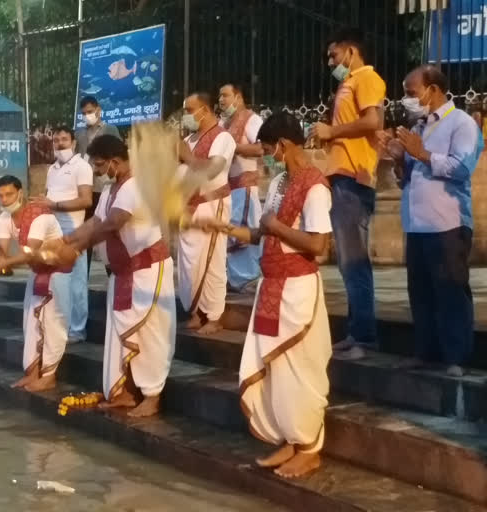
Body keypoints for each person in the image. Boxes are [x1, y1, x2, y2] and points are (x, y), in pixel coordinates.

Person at [200, 112, 332, 478]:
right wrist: (224, 227)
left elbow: (319, 245)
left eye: (270, 148)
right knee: (276, 371)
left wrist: (275, 227)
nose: (267, 155)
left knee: (299, 368)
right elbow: (261, 234)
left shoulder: (316, 187)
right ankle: (290, 440)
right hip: (271, 286)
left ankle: (309, 447)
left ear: (285, 145)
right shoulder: (278, 183)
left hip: (299, 289)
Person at [59, 134, 176, 417]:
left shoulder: (136, 185)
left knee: (150, 334)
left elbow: (114, 223)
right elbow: (96, 221)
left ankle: (152, 396)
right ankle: (123, 391)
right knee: (119, 334)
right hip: (123, 273)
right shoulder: (113, 189)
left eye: (100, 166)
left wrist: (75, 250)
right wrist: (66, 242)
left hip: (149, 270)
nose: (98, 172)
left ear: (114, 161)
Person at [377, 66, 483, 377]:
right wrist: (399, 160)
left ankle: (456, 357)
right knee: (420, 292)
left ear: (433, 89)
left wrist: (421, 154)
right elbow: (408, 179)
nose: (407, 100)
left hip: (447, 223)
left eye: (411, 93)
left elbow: (462, 168)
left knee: (450, 290)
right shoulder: (420, 127)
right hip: (417, 223)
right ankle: (425, 352)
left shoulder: (461, 123)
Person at [312, 28, 386, 361]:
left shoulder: (367, 78)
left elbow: (373, 121)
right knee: (346, 261)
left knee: (355, 262)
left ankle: (365, 337)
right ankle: (357, 331)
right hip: (341, 176)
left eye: (334, 55)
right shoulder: (347, 83)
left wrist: (333, 131)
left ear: (352, 51)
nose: (330, 62)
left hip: (354, 178)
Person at [0, 175, 71, 392]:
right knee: (31, 325)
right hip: (37, 272)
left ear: (20, 193)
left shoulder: (39, 216)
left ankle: (49, 375)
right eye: (1, 195)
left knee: (52, 326)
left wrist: (4, 262)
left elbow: (30, 252)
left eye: (9, 194)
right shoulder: (4, 219)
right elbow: (2, 250)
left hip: (56, 273)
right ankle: (32, 373)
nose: (4, 199)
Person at [177, 92, 236, 334]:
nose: (186, 116)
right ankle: (196, 312)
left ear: (205, 110)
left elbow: (212, 170)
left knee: (212, 260)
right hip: (187, 206)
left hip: (213, 204)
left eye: (190, 110)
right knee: (188, 263)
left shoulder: (223, 138)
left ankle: (214, 316)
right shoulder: (189, 139)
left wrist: (185, 155)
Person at [34, 126, 93, 343]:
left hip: (74, 231)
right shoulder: (52, 169)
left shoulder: (82, 166)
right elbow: (49, 199)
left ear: (74, 143)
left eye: (64, 140)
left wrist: (55, 204)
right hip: (53, 233)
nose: (60, 144)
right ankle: (61, 326)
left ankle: (78, 329)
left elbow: (86, 200)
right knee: (58, 283)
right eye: (56, 140)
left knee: (76, 283)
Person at [219, 83, 264, 292]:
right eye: (219, 96)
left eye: (225, 96)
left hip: (245, 186)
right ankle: (235, 280)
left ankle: (248, 280)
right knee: (231, 232)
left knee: (243, 231)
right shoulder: (222, 123)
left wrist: (235, 147)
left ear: (238, 97)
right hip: (228, 188)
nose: (221, 100)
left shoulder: (251, 119)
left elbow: (263, 147)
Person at [75, 96, 122, 275]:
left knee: (107, 232)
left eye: (90, 111)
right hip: (87, 190)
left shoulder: (110, 129)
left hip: (106, 187)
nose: (87, 115)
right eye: (84, 113)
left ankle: (113, 273)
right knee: (87, 233)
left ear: (98, 110)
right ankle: (82, 275)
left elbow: (118, 153)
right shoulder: (79, 134)